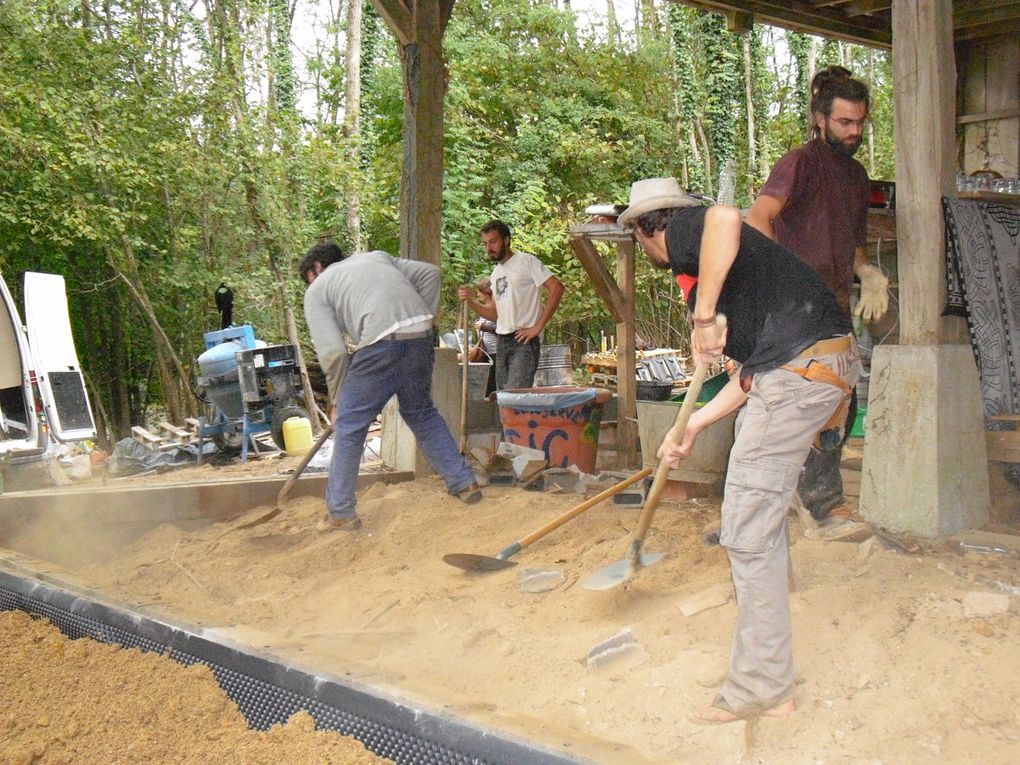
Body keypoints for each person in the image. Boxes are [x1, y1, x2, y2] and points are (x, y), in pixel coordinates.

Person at [617, 177, 862, 723]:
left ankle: (762, 688)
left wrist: (703, 319)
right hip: (821, 366)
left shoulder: (682, 229)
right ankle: (771, 624)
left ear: (643, 229)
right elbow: (752, 378)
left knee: (745, 527)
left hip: (800, 374)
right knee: (759, 515)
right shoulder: (746, 285)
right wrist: (694, 425)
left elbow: (728, 218)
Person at [745, 66, 888, 539]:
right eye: (845, 122)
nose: (854, 132)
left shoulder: (856, 175)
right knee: (792, 405)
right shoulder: (799, 163)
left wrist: (867, 272)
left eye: (860, 123)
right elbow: (758, 219)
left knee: (837, 402)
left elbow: (853, 244)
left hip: (832, 306)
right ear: (820, 119)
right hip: (791, 310)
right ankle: (811, 509)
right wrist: (782, 278)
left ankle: (808, 506)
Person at [299, 242, 481, 531]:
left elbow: (333, 353)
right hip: (420, 337)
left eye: (309, 278)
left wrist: (337, 401)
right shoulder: (377, 257)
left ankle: (340, 511)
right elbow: (431, 274)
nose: (311, 284)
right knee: (421, 411)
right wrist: (424, 320)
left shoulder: (317, 289)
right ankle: (464, 482)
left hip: (380, 344)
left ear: (317, 268)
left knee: (349, 425)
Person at [458, 220, 564, 390]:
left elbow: (557, 288)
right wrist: (470, 302)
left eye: (493, 242)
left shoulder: (526, 261)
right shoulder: (496, 273)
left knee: (516, 396)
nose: (488, 248)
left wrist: (537, 327)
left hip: (523, 339)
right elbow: (494, 314)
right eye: (485, 244)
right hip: (502, 339)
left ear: (506, 240)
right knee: (503, 396)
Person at [467, 277, 498, 397]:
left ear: (487, 292)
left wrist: (485, 327)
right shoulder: (485, 310)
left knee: (492, 387)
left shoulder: (497, 310)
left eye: (480, 291)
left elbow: (503, 329)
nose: (478, 294)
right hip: (486, 353)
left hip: (496, 354)